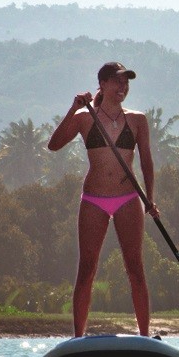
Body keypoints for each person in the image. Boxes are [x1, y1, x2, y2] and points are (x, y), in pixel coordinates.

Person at [47, 61, 159, 338]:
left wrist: (150, 200)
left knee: (135, 268)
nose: (123, 87)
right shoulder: (85, 117)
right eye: (118, 82)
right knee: (86, 268)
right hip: (94, 200)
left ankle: (144, 335)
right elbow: (54, 144)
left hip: (128, 199)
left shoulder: (137, 120)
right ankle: (78, 337)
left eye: (126, 83)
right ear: (103, 84)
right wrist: (73, 107)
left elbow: (146, 161)